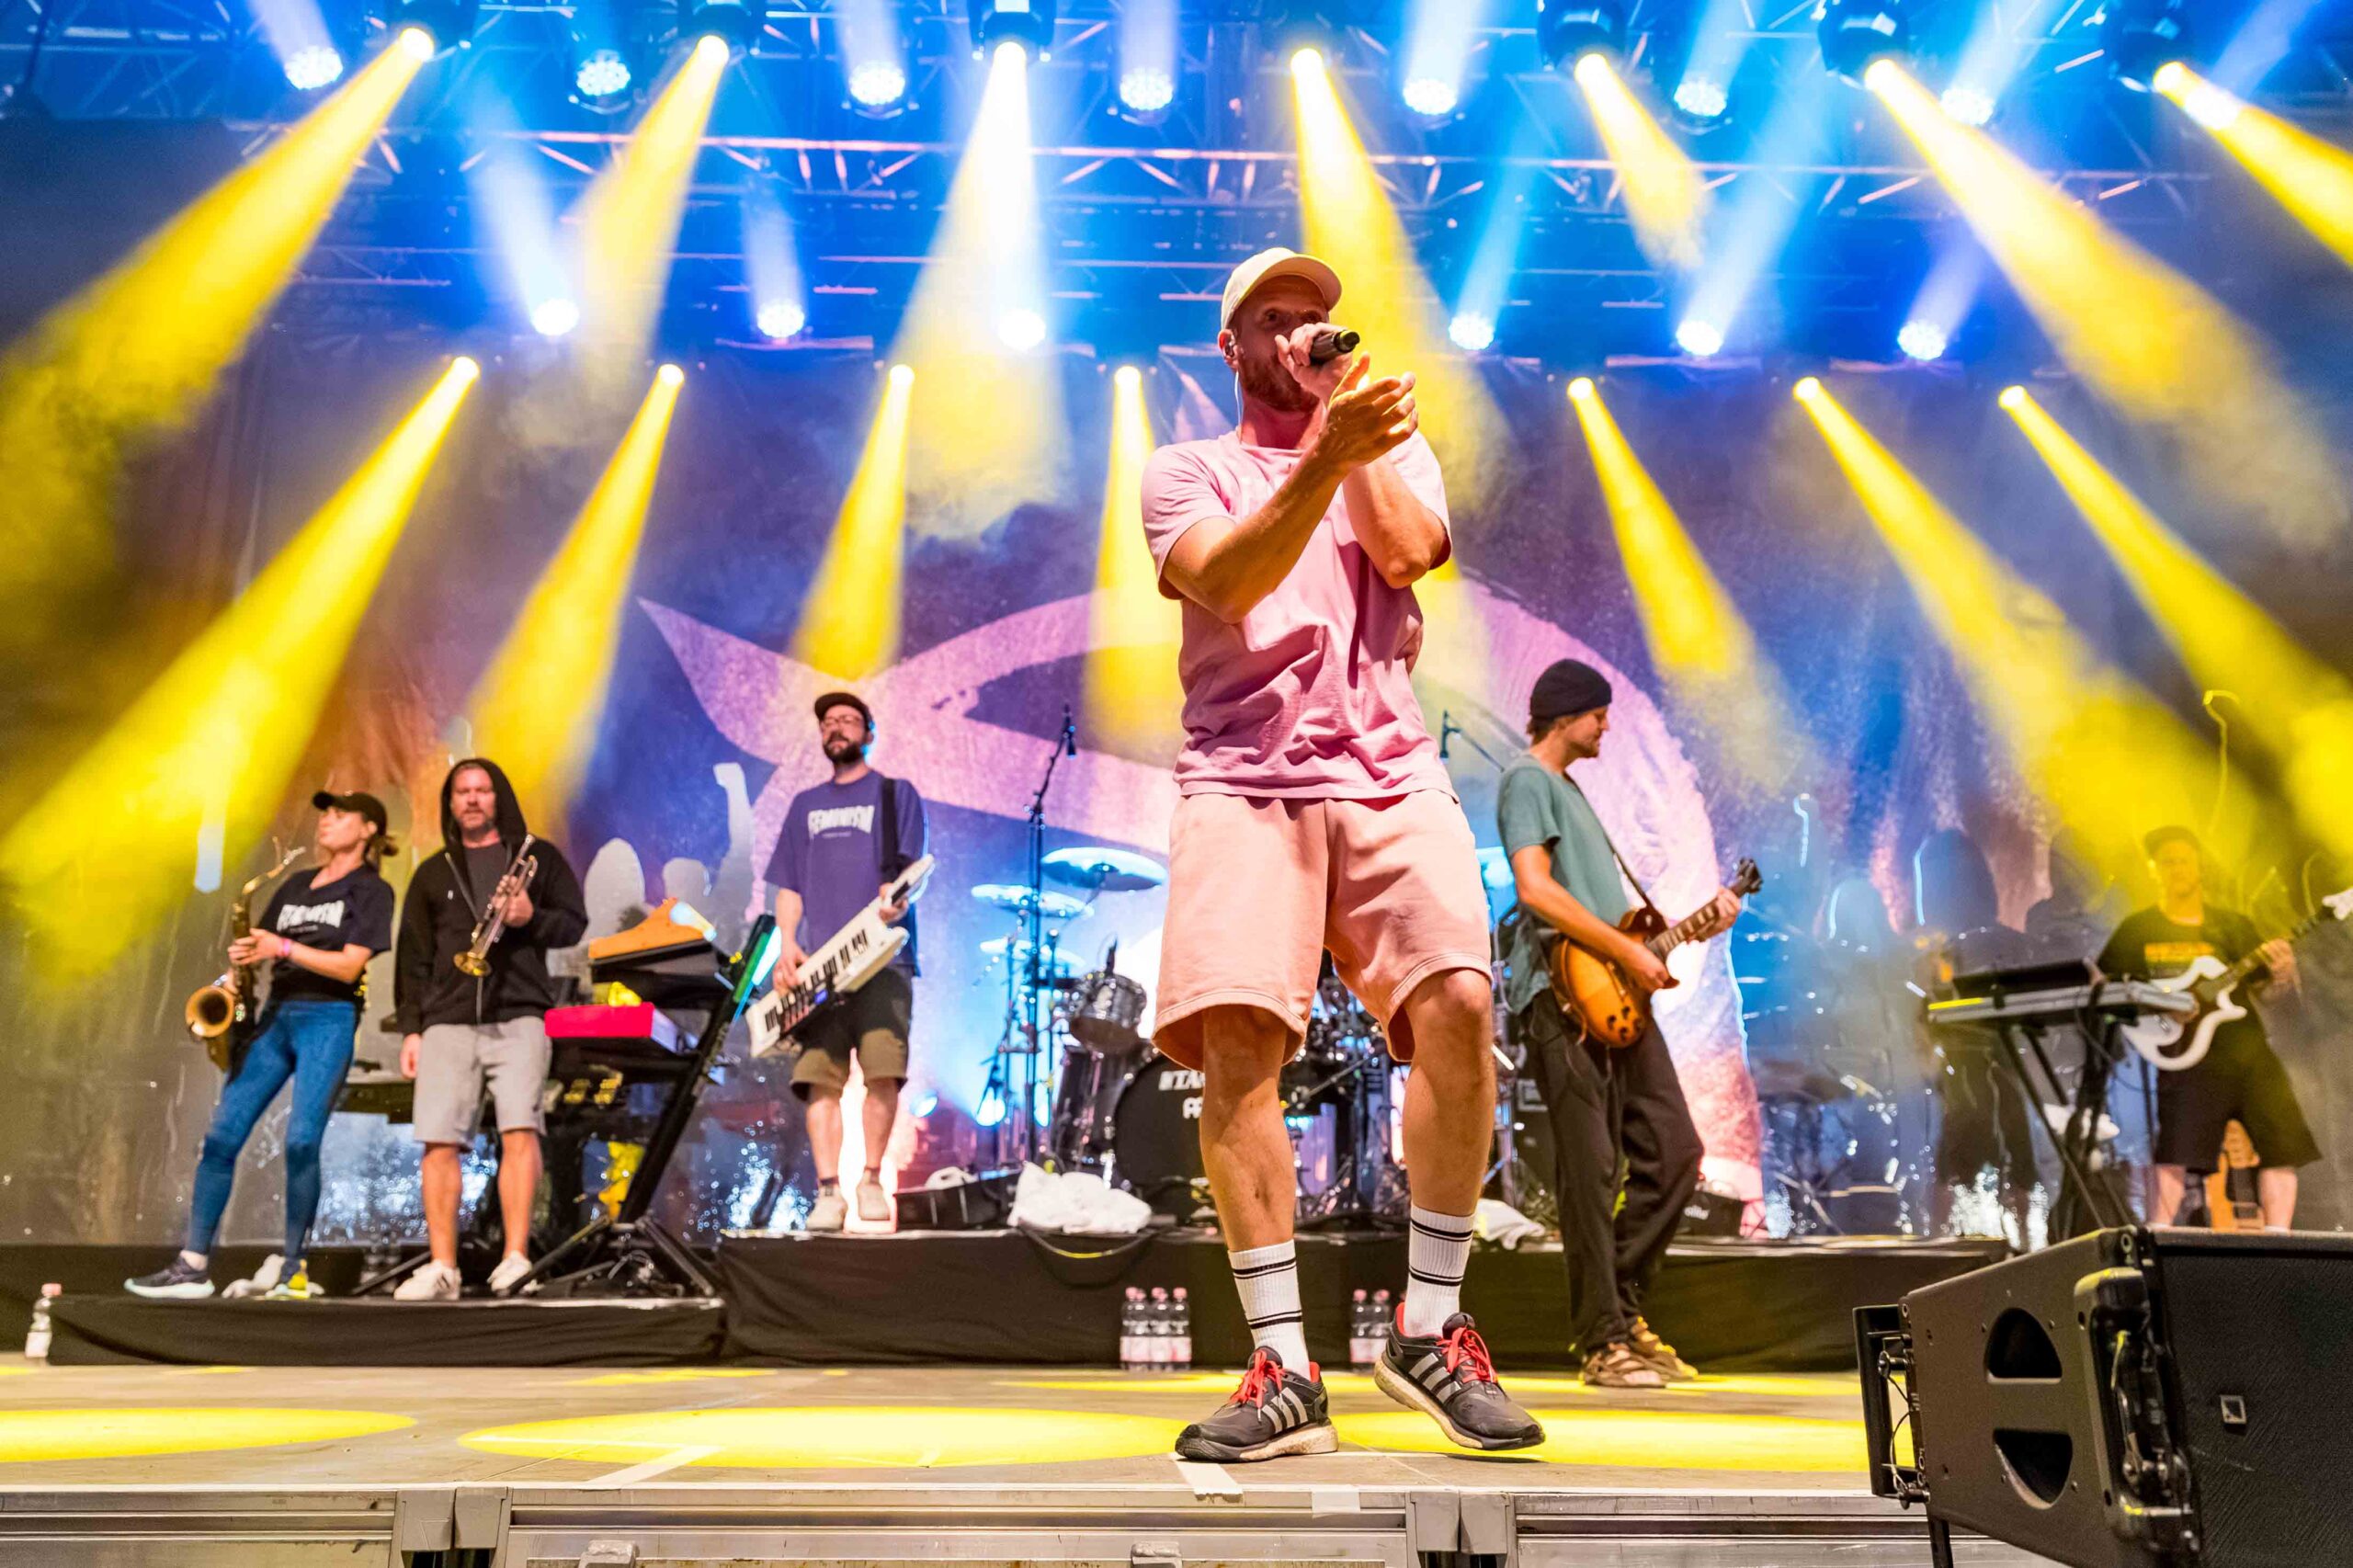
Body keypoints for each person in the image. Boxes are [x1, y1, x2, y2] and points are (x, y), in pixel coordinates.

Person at [1142, 246, 1542, 1462]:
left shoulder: (1383, 444)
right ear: (1231, 345)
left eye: (1314, 317)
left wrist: (1351, 439)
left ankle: (1429, 1328)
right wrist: (1325, 452)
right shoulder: (1185, 470)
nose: (1301, 333)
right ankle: (1284, 1365)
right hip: (1241, 777)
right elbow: (1228, 578)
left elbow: (1410, 555)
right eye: (1274, 319)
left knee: (1460, 1003)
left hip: (1388, 767)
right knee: (1239, 1045)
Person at [1497, 661, 1739, 1388]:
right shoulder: (1528, 780)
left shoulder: (1572, 792)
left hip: (1615, 1001)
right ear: (1565, 714)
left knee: (1676, 1152)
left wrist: (1680, 933)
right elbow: (1535, 889)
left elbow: (1615, 921)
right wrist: (1627, 950)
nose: (1606, 727)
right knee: (1591, 1170)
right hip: (1561, 1000)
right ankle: (1601, 1340)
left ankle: (1621, 1308)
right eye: (1598, 714)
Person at [128, 791, 398, 1301]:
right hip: (277, 1015)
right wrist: (237, 970)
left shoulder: (371, 890)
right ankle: (192, 1265)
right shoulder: (295, 885)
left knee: (301, 1141)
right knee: (221, 1137)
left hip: (329, 1016)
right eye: (324, 813)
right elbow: (260, 945)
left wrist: (283, 947)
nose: (327, 820)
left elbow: (349, 967)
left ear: (369, 829)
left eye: (340, 814)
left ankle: (294, 1268)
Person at [391, 758, 586, 1300]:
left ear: (498, 797)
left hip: (519, 1014)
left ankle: (516, 1259)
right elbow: (413, 957)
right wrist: (412, 1028)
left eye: (482, 790)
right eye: (462, 791)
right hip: (447, 1021)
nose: (473, 799)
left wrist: (529, 917)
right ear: (450, 803)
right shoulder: (433, 872)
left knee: (521, 1131)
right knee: (438, 1140)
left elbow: (573, 924)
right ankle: (443, 1267)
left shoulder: (538, 858)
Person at [2097, 825, 2317, 1230]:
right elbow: (2104, 987)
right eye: (2168, 862)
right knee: (2174, 1152)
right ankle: (2158, 1239)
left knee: (2282, 1143)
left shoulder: (2231, 926)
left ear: (2198, 867)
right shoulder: (2138, 929)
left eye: (2184, 860)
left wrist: (2283, 975)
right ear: (2154, 870)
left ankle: (2279, 1239)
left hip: (2247, 1050)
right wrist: (2162, 1005)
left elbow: (2267, 994)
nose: (2178, 868)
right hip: (2184, 1058)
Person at [767, 690, 926, 1233]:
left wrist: (897, 900)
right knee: (819, 1079)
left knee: (884, 1072)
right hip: (820, 968)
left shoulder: (895, 794)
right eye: (828, 722)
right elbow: (789, 884)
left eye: (848, 720)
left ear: (868, 733)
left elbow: (913, 870)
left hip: (883, 959)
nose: (836, 727)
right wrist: (787, 943)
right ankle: (829, 1191)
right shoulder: (803, 805)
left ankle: (872, 1180)